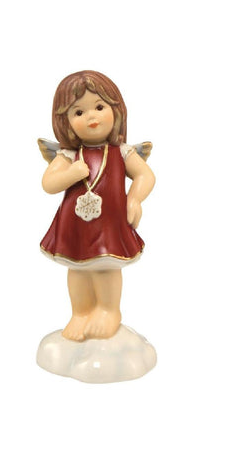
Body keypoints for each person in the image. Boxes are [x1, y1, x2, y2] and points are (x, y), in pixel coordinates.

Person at [39, 70, 155, 341]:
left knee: (105, 267)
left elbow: (145, 175)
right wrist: (70, 174)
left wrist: (135, 198)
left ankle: (108, 310)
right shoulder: (69, 155)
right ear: (65, 121)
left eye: (99, 107)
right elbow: (48, 183)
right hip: (75, 224)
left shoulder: (121, 152)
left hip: (110, 222)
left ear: (116, 110)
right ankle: (80, 313)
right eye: (79, 112)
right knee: (77, 269)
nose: (91, 117)